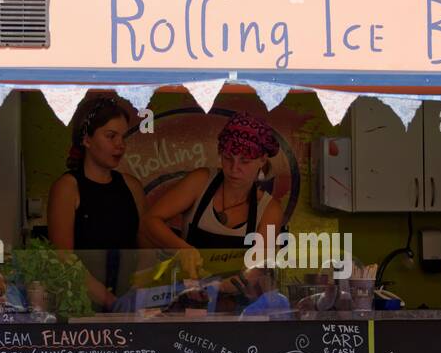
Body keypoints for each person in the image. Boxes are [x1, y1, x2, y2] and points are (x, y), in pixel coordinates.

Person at [141, 111, 285, 295]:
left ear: (262, 160)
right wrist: (182, 249)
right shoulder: (200, 181)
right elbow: (150, 220)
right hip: (186, 296)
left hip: (236, 307)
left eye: (245, 161)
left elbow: (258, 269)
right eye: (228, 158)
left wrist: (215, 288)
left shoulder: (269, 210)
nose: (234, 169)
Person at [46, 97, 146, 311]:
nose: (120, 145)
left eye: (123, 137)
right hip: (82, 308)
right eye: (111, 136)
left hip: (128, 306)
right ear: (87, 139)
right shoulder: (67, 187)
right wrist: (109, 300)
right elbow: (63, 257)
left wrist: (138, 290)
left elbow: (145, 247)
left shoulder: (132, 186)